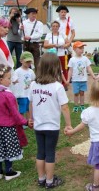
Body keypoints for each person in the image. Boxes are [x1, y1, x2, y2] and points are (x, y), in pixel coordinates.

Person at [29, 52, 72, 188]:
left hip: (39, 125)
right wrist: (68, 124)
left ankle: (41, 178)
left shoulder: (33, 85)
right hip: (52, 126)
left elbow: (30, 103)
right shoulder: (57, 87)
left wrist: (31, 118)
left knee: (40, 152)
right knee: (50, 153)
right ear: (56, 68)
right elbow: (64, 107)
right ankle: (49, 180)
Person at [0, 65, 30, 181]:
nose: (10, 80)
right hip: (7, 128)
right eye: (8, 78)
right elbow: (15, 113)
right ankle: (9, 172)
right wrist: (25, 122)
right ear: (1, 80)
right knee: (8, 149)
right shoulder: (8, 95)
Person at [67, 41, 96, 112]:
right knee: (76, 93)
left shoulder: (85, 59)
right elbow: (70, 70)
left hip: (83, 80)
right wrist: (68, 79)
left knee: (82, 93)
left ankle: (82, 105)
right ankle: (76, 106)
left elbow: (89, 68)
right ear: (74, 49)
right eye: (80, 48)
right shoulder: (72, 59)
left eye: (83, 48)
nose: (82, 50)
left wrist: (93, 76)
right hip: (75, 80)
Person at [10, 51, 36, 123]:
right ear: (21, 61)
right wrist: (15, 82)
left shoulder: (31, 71)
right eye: (27, 62)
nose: (28, 64)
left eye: (30, 62)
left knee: (29, 108)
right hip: (21, 94)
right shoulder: (17, 71)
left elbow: (33, 80)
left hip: (29, 94)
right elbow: (13, 80)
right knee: (22, 109)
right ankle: (21, 121)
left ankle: (29, 121)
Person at [43, 21, 69, 88]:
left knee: (64, 69)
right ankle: (50, 82)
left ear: (59, 27)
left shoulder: (62, 34)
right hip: (52, 55)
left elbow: (68, 43)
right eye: (53, 26)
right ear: (51, 27)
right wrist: (53, 45)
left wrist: (64, 45)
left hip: (62, 54)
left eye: (56, 26)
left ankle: (64, 84)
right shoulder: (48, 35)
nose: (55, 27)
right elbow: (45, 45)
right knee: (51, 69)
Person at [55, 5, 75, 76]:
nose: (63, 13)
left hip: (68, 42)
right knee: (59, 59)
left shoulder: (70, 20)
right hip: (59, 42)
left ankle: (69, 75)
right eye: (62, 12)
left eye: (64, 12)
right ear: (59, 13)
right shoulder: (56, 21)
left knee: (69, 59)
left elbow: (73, 33)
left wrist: (69, 42)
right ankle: (59, 74)